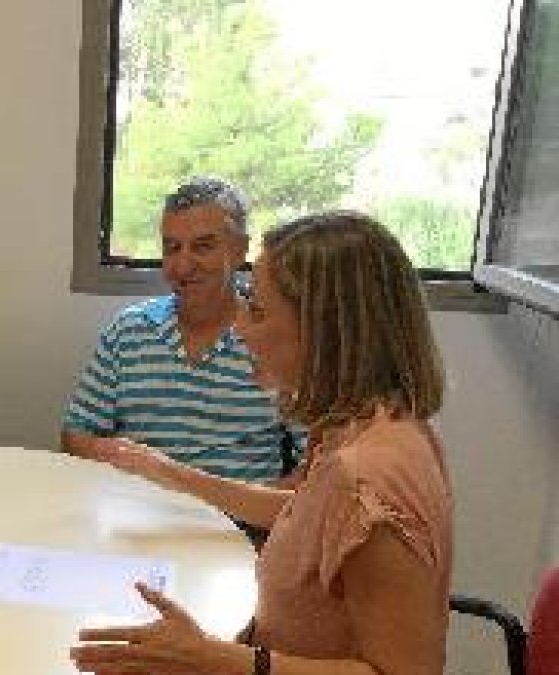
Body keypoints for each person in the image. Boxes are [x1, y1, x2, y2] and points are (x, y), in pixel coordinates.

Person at [71, 210, 453, 675]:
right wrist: (173, 474)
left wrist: (212, 657)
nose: (240, 329)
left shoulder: (368, 480)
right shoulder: (357, 428)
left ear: (323, 330)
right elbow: (303, 514)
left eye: (257, 310)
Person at [62, 176, 300, 485]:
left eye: (202, 247)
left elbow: (315, 465)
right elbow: (77, 432)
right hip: (135, 517)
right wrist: (115, 455)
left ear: (240, 249)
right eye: (172, 248)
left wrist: (266, 522)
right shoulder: (129, 330)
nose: (183, 266)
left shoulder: (272, 339)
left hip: (237, 526)